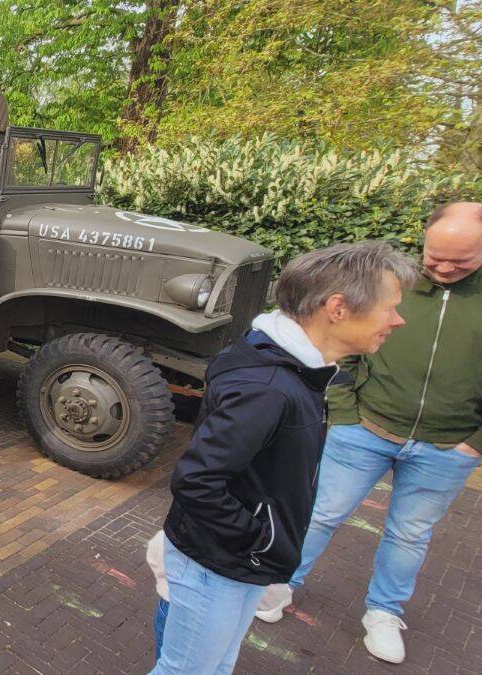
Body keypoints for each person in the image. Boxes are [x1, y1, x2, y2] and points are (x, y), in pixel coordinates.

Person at [260, 203, 482, 665]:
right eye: (434, 255)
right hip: (365, 428)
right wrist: (343, 412)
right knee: (320, 512)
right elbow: (342, 341)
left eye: (460, 261)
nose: (443, 268)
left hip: (449, 444)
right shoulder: (389, 282)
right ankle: (280, 585)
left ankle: (383, 613)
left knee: (409, 534)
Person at [150, 241, 416, 675]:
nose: (398, 320)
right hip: (218, 566)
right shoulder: (271, 387)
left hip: (236, 562)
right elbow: (197, 480)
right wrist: (261, 540)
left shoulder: (297, 371)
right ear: (338, 308)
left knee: (218, 666)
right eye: (390, 308)